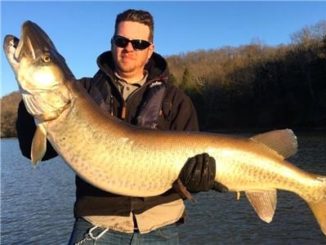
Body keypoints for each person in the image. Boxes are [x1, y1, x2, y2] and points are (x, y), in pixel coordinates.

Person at [16, 9, 223, 244]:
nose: (129, 48)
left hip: (161, 229)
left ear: (150, 50)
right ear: (112, 43)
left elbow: (190, 179)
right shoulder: (83, 91)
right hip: (96, 227)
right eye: (121, 41)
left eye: (139, 43)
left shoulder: (176, 101)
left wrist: (198, 181)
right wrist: (29, 101)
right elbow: (31, 150)